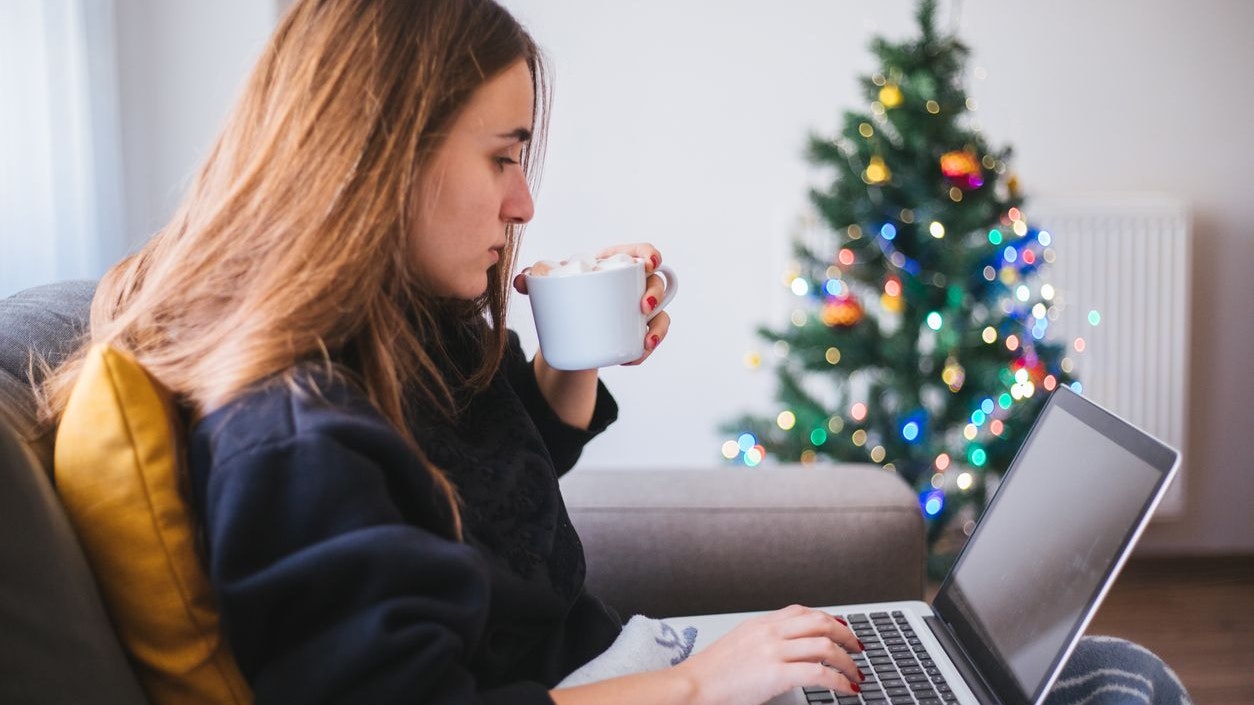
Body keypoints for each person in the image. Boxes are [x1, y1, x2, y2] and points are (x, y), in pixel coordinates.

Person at [38, 1, 1189, 705]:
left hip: (616, 663)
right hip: (625, 683)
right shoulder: (292, 438)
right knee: (1117, 689)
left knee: (1077, 676)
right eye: (501, 156)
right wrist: (701, 686)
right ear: (376, 156)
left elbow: (484, 492)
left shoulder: (376, 341)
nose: (525, 200)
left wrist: (574, 363)